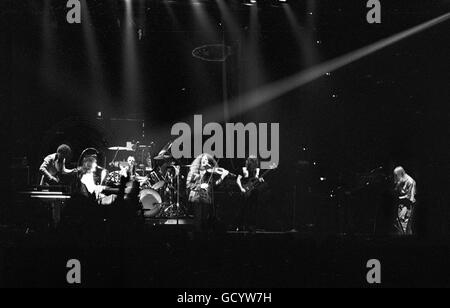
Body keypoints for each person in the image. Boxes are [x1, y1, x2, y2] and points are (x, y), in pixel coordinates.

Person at [186, 153, 229, 232]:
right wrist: (200, 186)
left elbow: (214, 185)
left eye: (206, 160)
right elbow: (188, 185)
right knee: (198, 220)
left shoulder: (209, 173)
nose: (205, 161)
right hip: (196, 197)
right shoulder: (193, 171)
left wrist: (222, 177)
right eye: (203, 159)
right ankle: (196, 237)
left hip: (206, 198)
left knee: (205, 220)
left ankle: (204, 239)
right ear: (200, 161)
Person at [236, 156, 263, 232]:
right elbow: (238, 180)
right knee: (243, 209)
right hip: (245, 191)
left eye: (255, 163)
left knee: (253, 209)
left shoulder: (257, 171)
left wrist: (260, 180)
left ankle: (251, 226)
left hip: (253, 192)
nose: (254, 165)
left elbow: (257, 181)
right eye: (252, 163)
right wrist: (241, 188)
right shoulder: (244, 170)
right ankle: (240, 225)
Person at [394, 166, 417, 235]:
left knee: (405, 226)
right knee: (398, 224)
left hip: (407, 206)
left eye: (396, 175)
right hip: (400, 205)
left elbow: (410, 198)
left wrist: (399, 199)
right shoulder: (400, 180)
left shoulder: (411, 181)